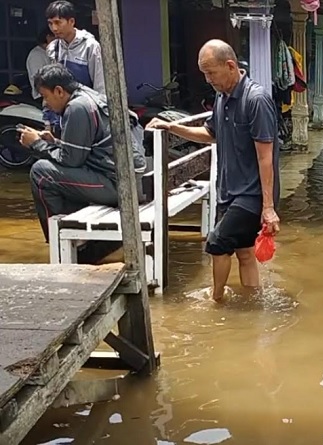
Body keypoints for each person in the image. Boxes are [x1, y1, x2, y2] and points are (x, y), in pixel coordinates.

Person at [146, 40, 281, 303]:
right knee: (244, 251)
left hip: (252, 194)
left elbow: (266, 158)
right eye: (204, 74)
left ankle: (216, 301)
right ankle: (253, 303)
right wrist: (172, 127)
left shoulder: (256, 100)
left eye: (211, 73)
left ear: (230, 65)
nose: (208, 80)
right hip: (228, 189)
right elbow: (211, 133)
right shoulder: (222, 97)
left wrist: (268, 207)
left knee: (217, 243)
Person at [17, 64, 146, 251]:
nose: (45, 103)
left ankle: (59, 243)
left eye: (45, 96)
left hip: (120, 185)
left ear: (59, 91)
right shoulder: (89, 96)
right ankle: (79, 238)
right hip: (131, 179)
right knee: (56, 171)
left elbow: (72, 160)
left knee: (41, 173)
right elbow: (81, 150)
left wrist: (36, 144)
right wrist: (54, 142)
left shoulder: (77, 107)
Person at [45, 0, 105, 134]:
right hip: (61, 116)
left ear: (71, 21)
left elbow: (100, 86)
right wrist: (48, 120)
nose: (54, 28)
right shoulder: (53, 48)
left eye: (58, 22)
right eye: (50, 23)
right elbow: (50, 85)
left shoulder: (90, 46)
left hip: (85, 113)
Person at [26, 29, 55, 103]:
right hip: (43, 97)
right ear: (48, 37)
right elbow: (39, 80)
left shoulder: (52, 52)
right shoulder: (36, 55)